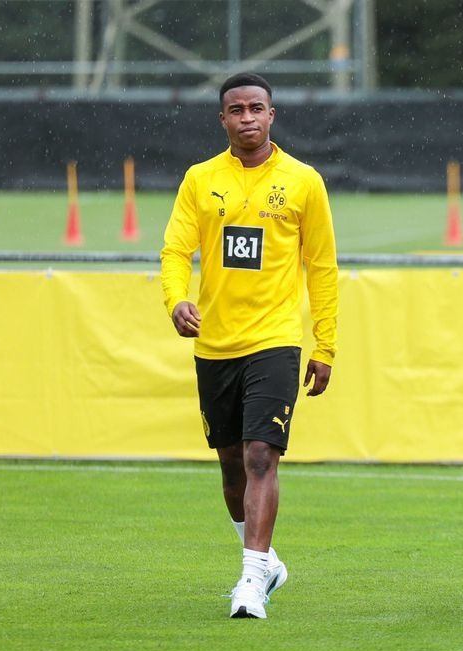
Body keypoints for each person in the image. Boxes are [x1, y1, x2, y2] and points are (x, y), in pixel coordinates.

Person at [160, 72, 339, 620]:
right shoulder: (199, 179)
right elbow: (174, 251)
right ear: (223, 120)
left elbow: (323, 268)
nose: (247, 118)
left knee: (263, 455)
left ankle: (252, 578)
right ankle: (266, 561)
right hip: (215, 345)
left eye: (256, 108)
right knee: (232, 467)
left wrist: (324, 344)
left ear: (272, 114)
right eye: (235, 110)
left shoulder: (304, 181)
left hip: (275, 341)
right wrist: (175, 300)